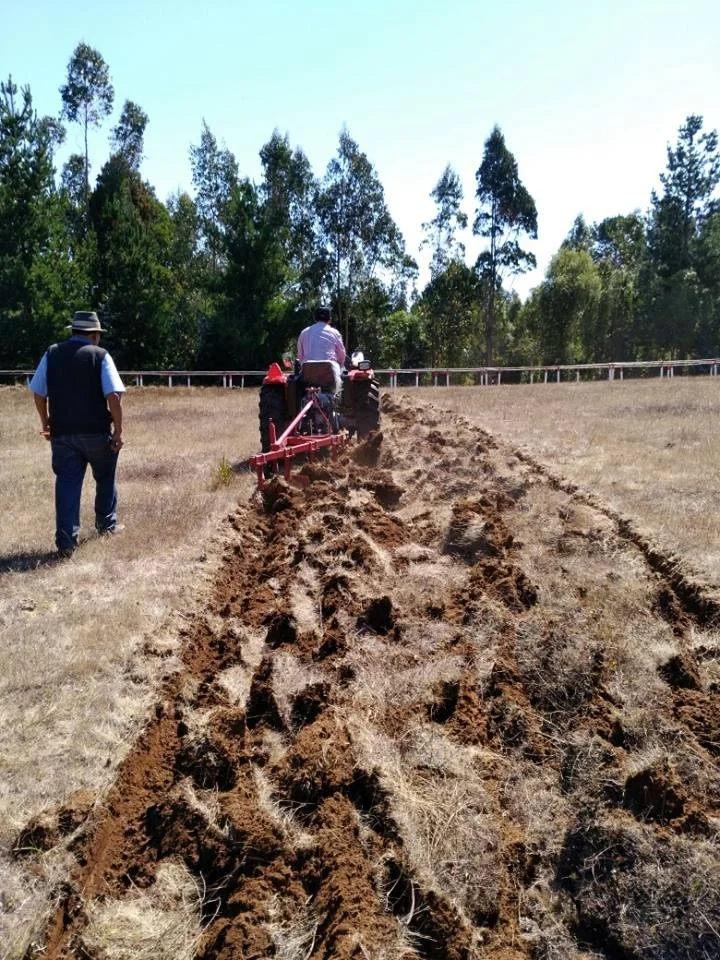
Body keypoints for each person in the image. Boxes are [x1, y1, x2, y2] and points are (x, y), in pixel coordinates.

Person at [29, 311, 126, 557]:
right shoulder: (100, 356)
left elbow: (39, 393)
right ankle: (106, 526)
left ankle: (65, 542)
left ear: (73, 332)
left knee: (67, 483)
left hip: (62, 433)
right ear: (94, 335)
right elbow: (113, 395)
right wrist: (118, 431)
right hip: (96, 433)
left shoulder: (51, 353)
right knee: (104, 477)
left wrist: (46, 422)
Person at [297, 305, 346, 394]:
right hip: (330, 371)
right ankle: (340, 400)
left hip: (308, 372)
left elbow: (300, 356)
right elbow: (342, 355)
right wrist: (341, 364)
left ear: (315, 318)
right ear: (329, 319)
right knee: (343, 372)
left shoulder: (304, 332)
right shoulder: (335, 333)